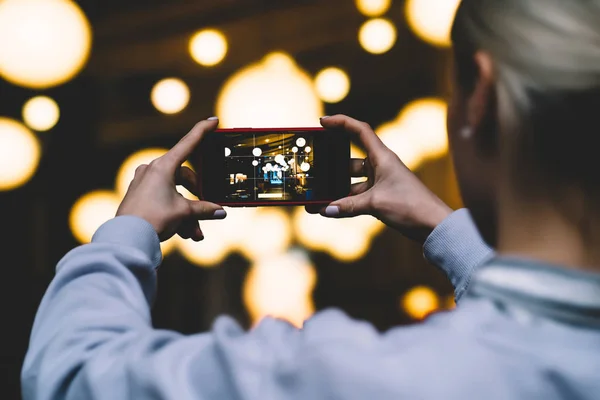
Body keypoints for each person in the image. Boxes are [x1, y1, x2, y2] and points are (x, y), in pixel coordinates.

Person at [21, 0, 600, 398]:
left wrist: (128, 234)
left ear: (480, 99)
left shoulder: (352, 376)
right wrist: (447, 231)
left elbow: (71, 374)